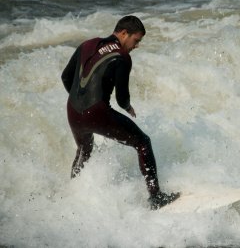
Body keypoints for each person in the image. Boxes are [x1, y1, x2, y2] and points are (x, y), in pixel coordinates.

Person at [61, 15, 179, 210]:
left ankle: (72, 196)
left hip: (73, 111)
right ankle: (156, 197)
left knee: (84, 150)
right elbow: (121, 96)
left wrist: (79, 102)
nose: (136, 46)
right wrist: (126, 107)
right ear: (124, 33)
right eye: (136, 40)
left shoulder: (88, 45)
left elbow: (66, 76)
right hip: (96, 111)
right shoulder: (123, 57)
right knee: (143, 143)